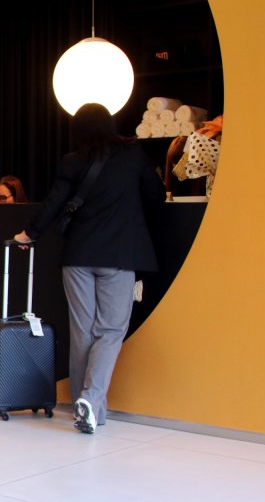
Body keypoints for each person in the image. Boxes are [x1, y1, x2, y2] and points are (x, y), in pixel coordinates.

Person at [13, 103, 165, 434]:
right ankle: (91, 399)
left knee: (83, 330)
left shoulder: (74, 159)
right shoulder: (133, 154)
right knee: (110, 331)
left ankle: (89, 406)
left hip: (78, 255)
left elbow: (54, 202)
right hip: (120, 254)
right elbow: (156, 195)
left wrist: (29, 234)